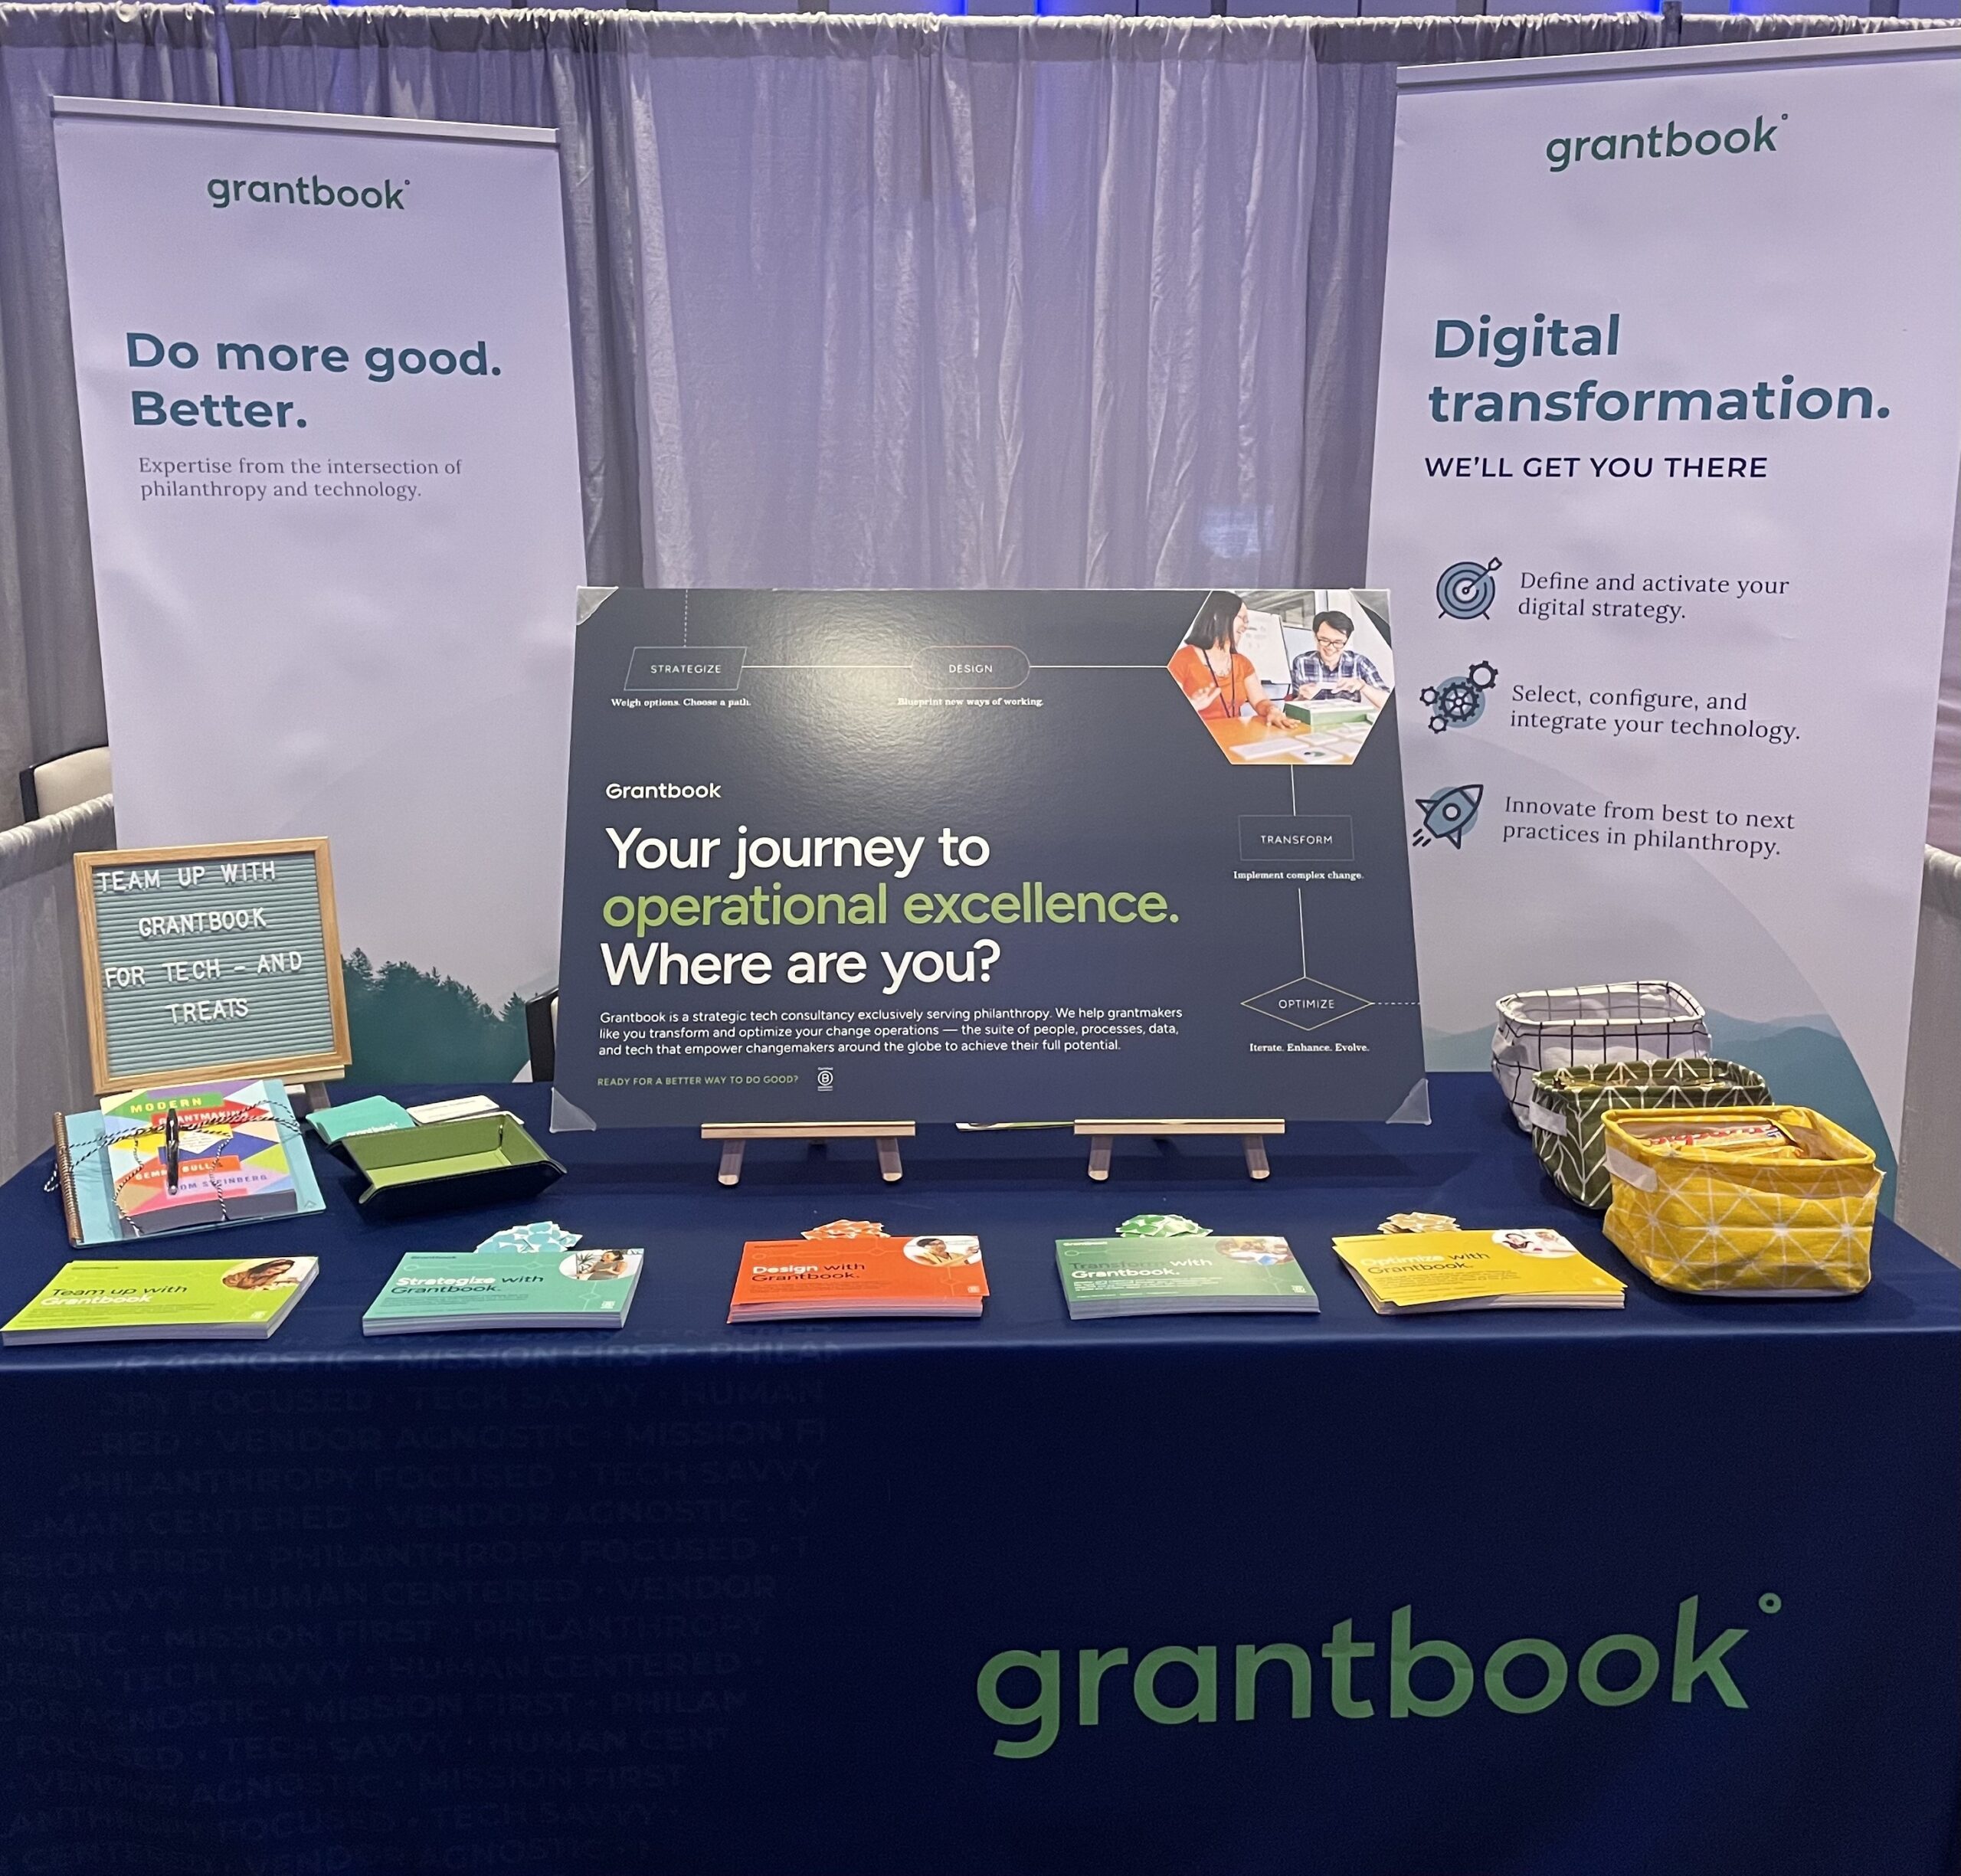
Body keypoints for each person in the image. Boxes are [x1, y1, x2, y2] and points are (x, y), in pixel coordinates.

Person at [1169, 592, 1292, 728]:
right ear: (1217, 616)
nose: (1246, 626)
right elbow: (1164, 712)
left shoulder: (1242, 663)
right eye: (1242, 618)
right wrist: (1190, 706)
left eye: (1247, 621)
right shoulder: (1183, 658)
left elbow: (1260, 701)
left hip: (1234, 738)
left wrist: (1272, 710)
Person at [1290, 609, 1389, 710]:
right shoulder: (1301, 662)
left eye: (1338, 642)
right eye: (1324, 640)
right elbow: (1292, 707)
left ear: (1347, 641)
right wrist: (1302, 698)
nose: (1331, 648)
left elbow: (1387, 703)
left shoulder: (1359, 662)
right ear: (1315, 637)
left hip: (1350, 721)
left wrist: (1362, 686)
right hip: (1314, 722)